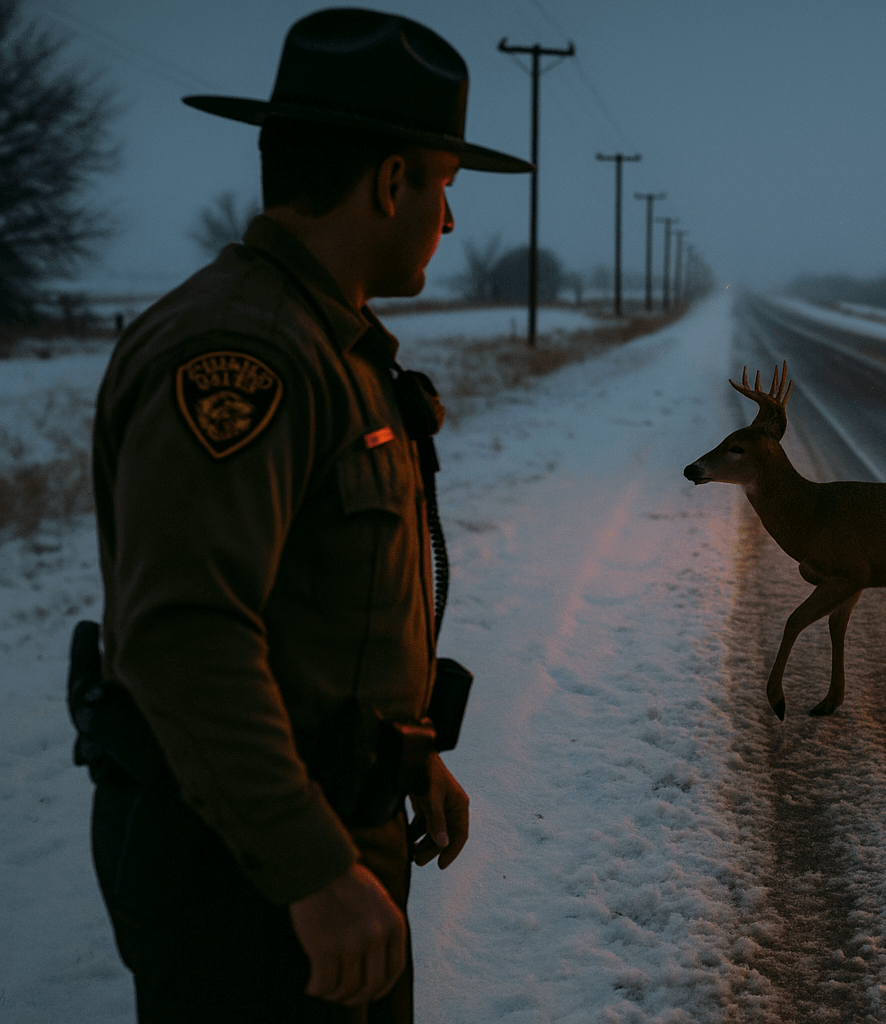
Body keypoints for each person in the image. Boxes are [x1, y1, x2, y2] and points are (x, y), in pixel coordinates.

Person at [81, 9, 530, 1021]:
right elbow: (186, 635)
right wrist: (312, 871)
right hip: (248, 879)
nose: (449, 223)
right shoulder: (245, 354)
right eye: (444, 187)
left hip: (311, 835)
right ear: (388, 182)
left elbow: (319, 611)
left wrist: (407, 749)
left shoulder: (331, 346)